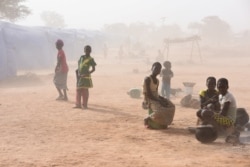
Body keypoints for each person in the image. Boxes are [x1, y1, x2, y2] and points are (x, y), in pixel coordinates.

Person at [200, 78, 239, 143]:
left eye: (223, 87)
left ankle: (222, 132)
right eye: (219, 87)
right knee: (206, 111)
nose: (221, 89)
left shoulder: (229, 97)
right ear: (217, 87)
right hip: (224, 118)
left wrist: (212, 112)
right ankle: (218, 130)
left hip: (229, 120)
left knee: (206, 113)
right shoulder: (221, 95)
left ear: (227, 87)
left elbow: (223, 113)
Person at [142, 62, 175, 129]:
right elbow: (149, 94)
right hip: (149, 99)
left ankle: (164, 123)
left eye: (159, 69)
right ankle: (147, 118)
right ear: (152, 68)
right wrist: (159, 100)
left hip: (155, 97)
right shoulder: (147, 79)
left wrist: (162, 99)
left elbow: (156, 93)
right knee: (160, 110)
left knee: (171, 106)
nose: (157, 70)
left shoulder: (157, 80)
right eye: (155, 68)